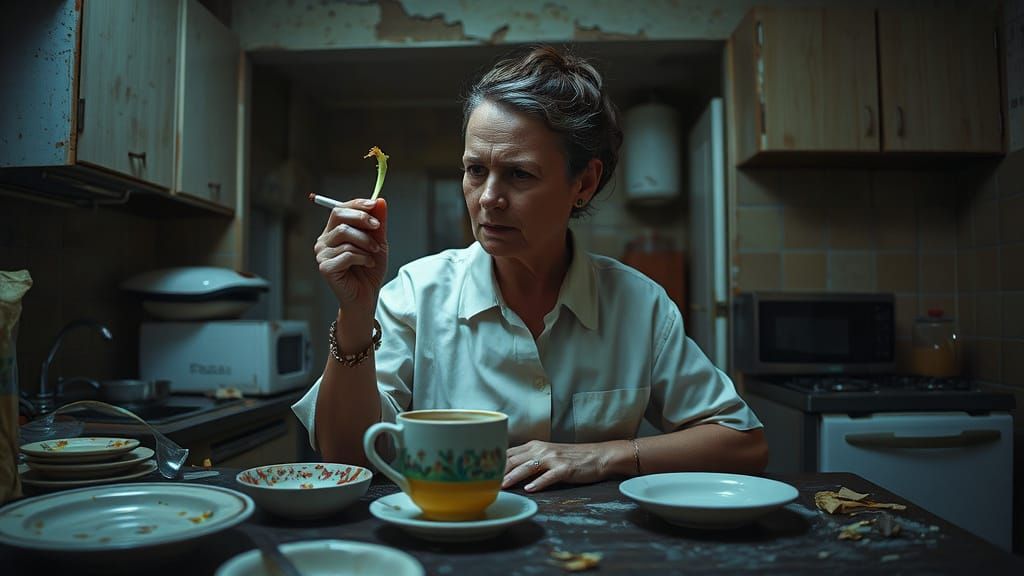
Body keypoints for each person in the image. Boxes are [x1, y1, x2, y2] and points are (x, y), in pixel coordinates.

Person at [293, 45, 767, 493]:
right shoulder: (418, 294)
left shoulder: (638, 305)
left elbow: (744, 443)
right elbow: (345, 458)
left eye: (519, 174)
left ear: (583, 182)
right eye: (475, 170)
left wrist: (604, 455)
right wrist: (355, 314)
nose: (488, 199)